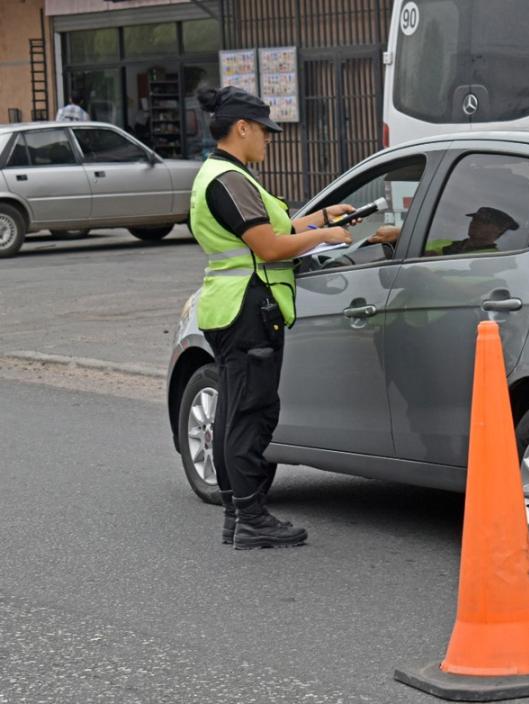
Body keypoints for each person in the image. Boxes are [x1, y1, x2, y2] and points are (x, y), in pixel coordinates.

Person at [191, 86, 354, 549]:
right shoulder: (230, 179)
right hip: (248, 308)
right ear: (242, 128)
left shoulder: (221, 174)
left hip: (231, 305)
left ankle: (237, 514)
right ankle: (251, 517)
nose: (268, 139)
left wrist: (321, 217)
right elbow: (268, 247)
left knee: (235, 410)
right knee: (251, 412)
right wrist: (325, 235)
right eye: (264, 131)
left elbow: (272, 229)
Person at [369, 205, 518, 256]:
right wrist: (401, 234)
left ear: (499, 230)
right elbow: (414, 249)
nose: (475, 223)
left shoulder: (493, 257)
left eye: (483, 221)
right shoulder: (447, 243)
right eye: (474, 219)